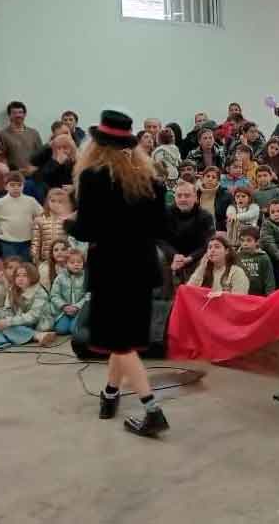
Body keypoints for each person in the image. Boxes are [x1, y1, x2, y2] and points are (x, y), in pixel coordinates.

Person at [66, 110, 173, 437]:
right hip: (142, 266)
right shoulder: (151, 179)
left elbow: (86, 230)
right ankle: (110, 394)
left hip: (111, 269)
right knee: (122, 337)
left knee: (121, 343)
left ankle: (152, 410)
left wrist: (66, 221)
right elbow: (160, 227)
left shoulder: (94, 178)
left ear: (98, 144)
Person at [0, 171, 42, 261]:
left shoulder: (31, 201)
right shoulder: (0, 202)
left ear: (23, 186)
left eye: (19, 185)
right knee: (11, 264)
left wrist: (36, 222)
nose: (16, 188)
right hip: (7, 242)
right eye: (12, 185)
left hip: (27, 241)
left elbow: (42, 214)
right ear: (6, 186)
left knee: (25, 265)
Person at [0, 101, 43, 177]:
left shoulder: (34, 133)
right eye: (14, 113)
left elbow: (41, 154)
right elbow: (1, 157)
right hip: (13, 177)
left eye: (20, 112)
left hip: (34, 175)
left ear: (24, 114)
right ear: (9, 115)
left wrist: (35, 168)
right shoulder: (1, 134)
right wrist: (12, 171)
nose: (18, 115)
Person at [236, 227, 275, 296]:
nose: (245, 244)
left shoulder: (263, 258)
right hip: (240, 295)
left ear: (257, 242)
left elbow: (269, 281)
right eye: (242, 240)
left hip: (258, 297)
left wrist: (269, 298)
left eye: (249, 240)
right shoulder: (236, 256)